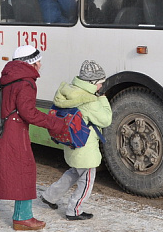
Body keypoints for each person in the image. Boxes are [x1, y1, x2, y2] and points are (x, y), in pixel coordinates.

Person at [0, 45, 67, 231]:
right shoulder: (26, 82)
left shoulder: (8, 76)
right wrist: (56, 123)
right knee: (25, 172)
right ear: (31, 63)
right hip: (14, 134)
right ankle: (22, 217)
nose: (40, 65)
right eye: (38, 61)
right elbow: (29, 113)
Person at [40, 60, 112, 221]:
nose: (101, 86)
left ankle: (49, 196)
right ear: (92, 82)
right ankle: (74, 210)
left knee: (73, 172)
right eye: (100, 82)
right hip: (85, 148)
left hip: (72, 143)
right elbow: (106, 120)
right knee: (87, 181)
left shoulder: (69, 92)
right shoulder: (89, 100)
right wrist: (103, 99)